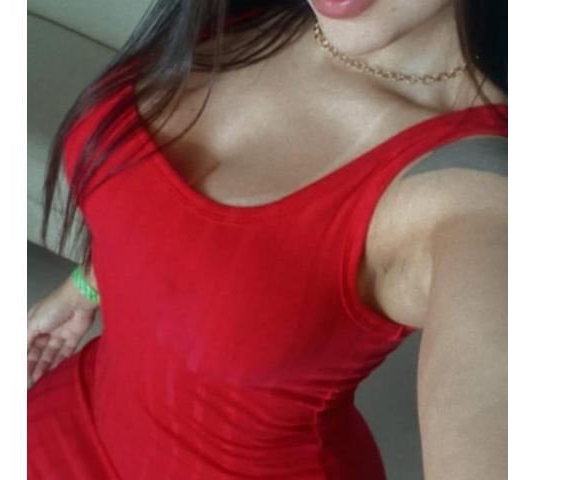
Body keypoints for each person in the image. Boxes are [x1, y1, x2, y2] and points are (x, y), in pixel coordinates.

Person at [27, 0, 507, 478]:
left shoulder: (483, 195)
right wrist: (87, 284)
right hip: (73, 414)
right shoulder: (253, 15)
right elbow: (169, 218)